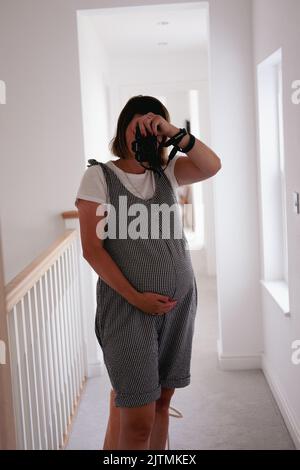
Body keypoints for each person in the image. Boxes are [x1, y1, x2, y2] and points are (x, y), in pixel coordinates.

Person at [75, 95, 221, 450]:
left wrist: (174, 133)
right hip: (127, 309)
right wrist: (137, 298)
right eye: (136, 125)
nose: (142, 133)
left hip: (178, 307)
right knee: (137, 419)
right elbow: (92, 251)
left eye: (152, 127)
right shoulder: (99, 176)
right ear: (122, 129)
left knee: (161, 404)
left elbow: (212, 166)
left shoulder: (169, 172)